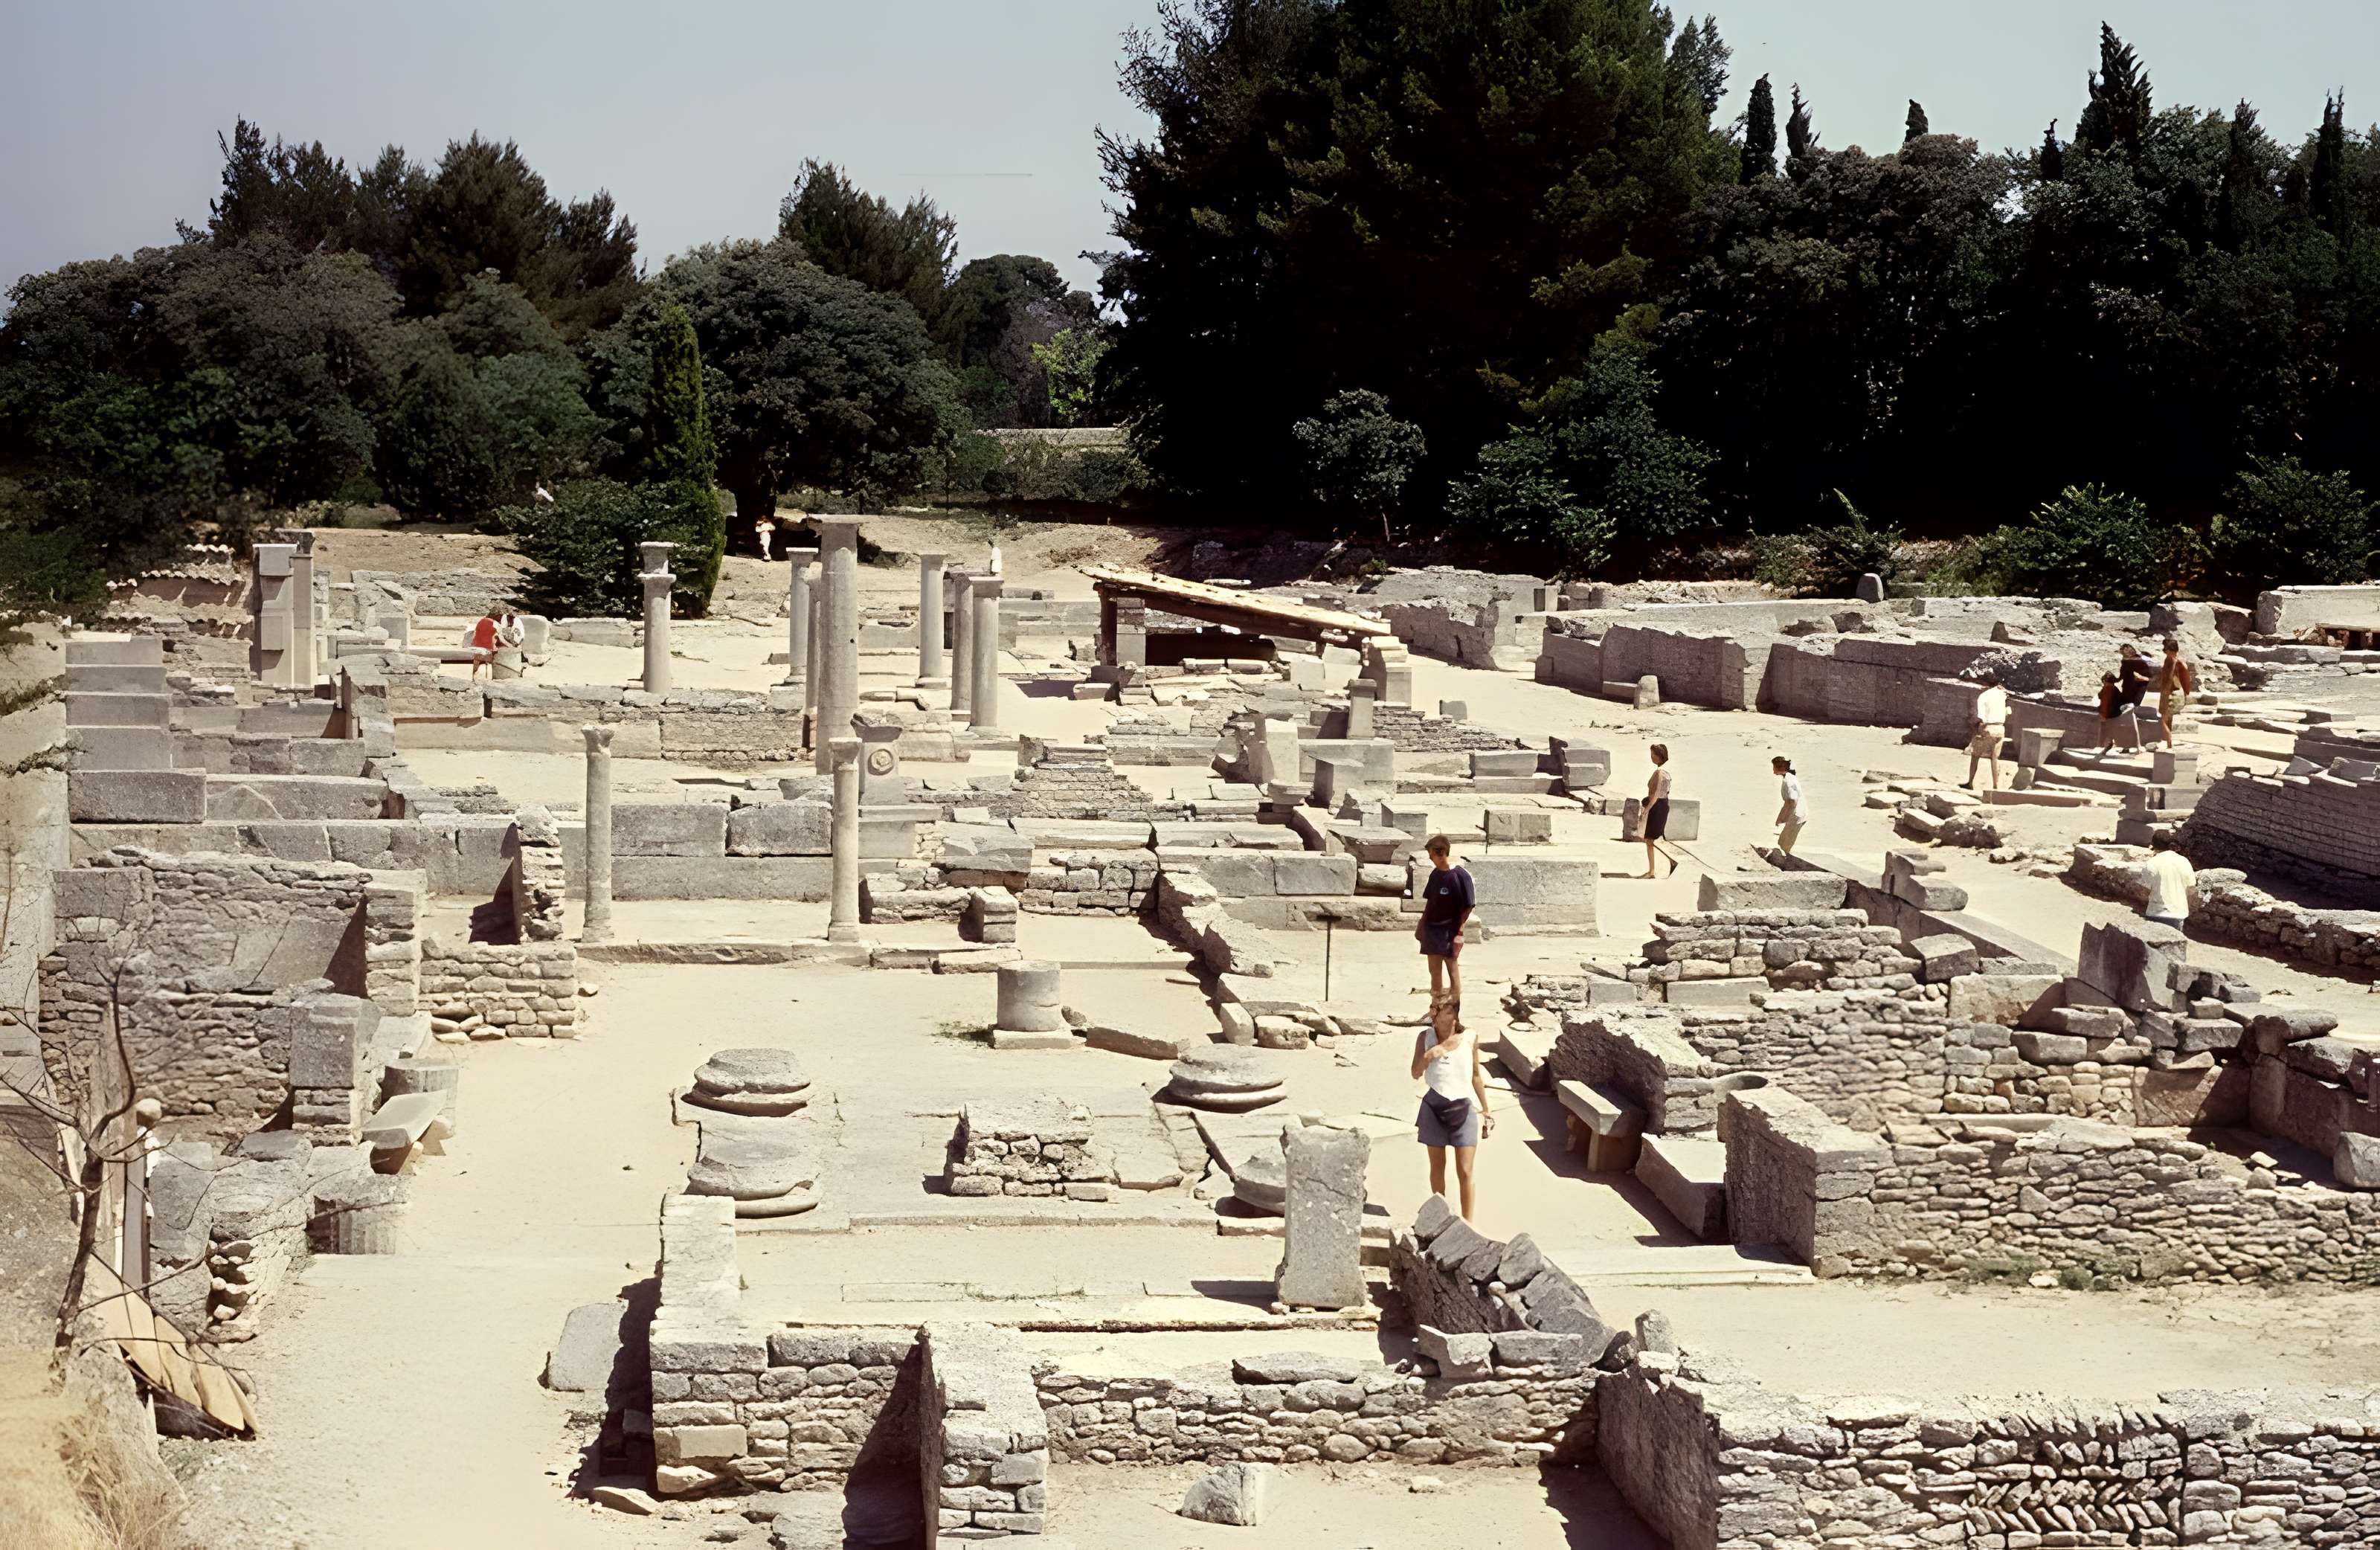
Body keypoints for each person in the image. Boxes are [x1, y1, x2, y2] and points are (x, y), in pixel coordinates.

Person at [1409, 1000, 1493, 1221]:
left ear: (1454, 1013)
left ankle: (1468, 1224)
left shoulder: (1470, 1037)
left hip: (1463, 1108)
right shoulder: (1424, 1037)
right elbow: (1415, 1073)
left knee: (1465, 1171)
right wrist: (1429, 1055)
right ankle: (1441, 1219)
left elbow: (1476, 1074)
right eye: (1432, 1008)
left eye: (1439, 1009)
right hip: (1433, 1107)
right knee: (1437, 1167)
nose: (1433, 1012)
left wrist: (1486, 1110)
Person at [1414, 835, 1475, 1011]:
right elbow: (1430, 903)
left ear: (1439, 853)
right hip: (1432, 929)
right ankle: (1436, 1006)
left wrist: (1460, 932)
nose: (1430, 857)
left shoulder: (1460, 876)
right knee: (1434, 970)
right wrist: (1421, 926)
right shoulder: (1435, 875)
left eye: (1431, 853)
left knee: (1452, 967)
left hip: (1450, 930)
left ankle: (1454, 1009)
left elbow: (1468, 906)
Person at [1961, 672, 2009, 791]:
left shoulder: (1983, 696)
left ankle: (1970, 783)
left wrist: (1977, 730)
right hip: (2000, 728)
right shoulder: (2003, 695)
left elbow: (1981, 717)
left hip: (1989, 727)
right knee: (1995, 758)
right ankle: (1995, 786)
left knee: (1975, 755)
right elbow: (2008, 711)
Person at [2142, 834, 2196, 931]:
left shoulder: (2152, 863)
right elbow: (2192, 888)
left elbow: (2145, 891)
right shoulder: (2184, 861)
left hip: (2156, 913)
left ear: (2153, 845)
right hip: (2179, 913)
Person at [1638, 744, 1673, 878]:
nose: (1652, 758)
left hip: (1657, 806)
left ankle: (1653, 871)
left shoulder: (1660, 772)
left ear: (1660, 757)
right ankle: (1652, 870)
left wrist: (1647, 809)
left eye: (1653, 755)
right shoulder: (1666, 772)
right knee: (1650, 840)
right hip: (1663, 805)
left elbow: (1656, 793)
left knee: (1650, 839)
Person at [2156, 637, 2195, 748]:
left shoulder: (2176, 663)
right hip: (2170, 693)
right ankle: (2169, 743)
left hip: (2171, 694)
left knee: (2163, 720)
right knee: (2167, 719)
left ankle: (2169, 743)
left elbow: (2179, 680)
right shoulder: (2173, 661)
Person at [2113, 644, 2153, 750]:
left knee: (2130, 717)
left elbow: (2149, 678)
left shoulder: (2139, 662)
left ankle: (2134, 745)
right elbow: (2121, 677)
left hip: (2136, 693)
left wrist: (2140, 678)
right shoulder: (2125, 662)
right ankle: (2125, 744)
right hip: (2126, 691)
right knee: (2125, 718)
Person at [1772, 756, 1805, 853]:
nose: (1773, 771)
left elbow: (1791, 802)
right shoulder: (1790, 776)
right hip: (1800, 812)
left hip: (1796, 814)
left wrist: (1782, 818)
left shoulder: (1788, 781)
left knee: (1784, 844)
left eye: (1774, 768)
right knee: (1784, 841)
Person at [468, 611, 499, 679]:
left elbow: (475, 633)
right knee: (491, 662)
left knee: (476, 663)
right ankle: (489, 678)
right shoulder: (495, 624)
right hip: (487, 648)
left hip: (475, 646)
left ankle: (473, 677)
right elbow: (496, 636)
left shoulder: (481, 621)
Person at [2095, 671, 2122, 750]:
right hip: (2113, 714)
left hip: (2109, 714)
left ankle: (2103, 745)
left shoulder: (2108, 689)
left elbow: (2101, 698)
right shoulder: (2114, 689)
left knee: (2106, 730)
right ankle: (2104, 745)